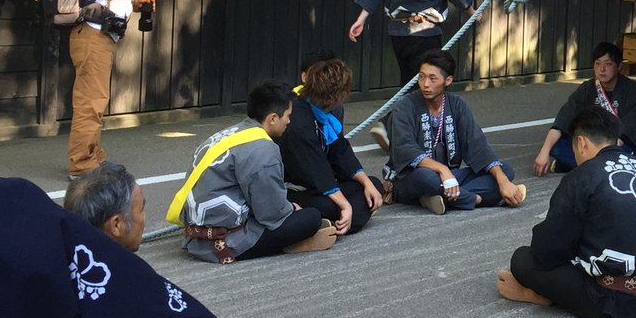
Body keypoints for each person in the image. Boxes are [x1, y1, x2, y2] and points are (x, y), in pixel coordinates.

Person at [46, 167, 313, 318]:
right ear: (116, 224)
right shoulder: (133, 287)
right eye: (141, 209)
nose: (143, 219)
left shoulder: (53, 264)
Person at [497, 107, 636, 318]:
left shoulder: (583, 175)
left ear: (581, 143)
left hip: (613, 304)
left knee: (522, 259)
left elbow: (545, 251)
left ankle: (541, 296)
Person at [347, 0, 479, 152]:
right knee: (425, 84)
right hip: (424, 31)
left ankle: (407, 132)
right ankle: (389, 126)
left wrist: (361, 19)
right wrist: (473, 13)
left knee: (411, 81)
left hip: (397, 32)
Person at [169, 82, 337, 263]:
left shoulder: (229, 134)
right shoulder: (263, 149)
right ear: (273, 118)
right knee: (312, 217)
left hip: (195, 237)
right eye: (288, 116)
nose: (289, 121)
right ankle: (292, 243)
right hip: (226, 242)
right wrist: (292, 208)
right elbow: (272, 215)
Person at [67, 0, 163, 179]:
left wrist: (134, 0)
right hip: (94, 35)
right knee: (91, 101)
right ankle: (81, 166)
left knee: (94, 99)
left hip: (95, 34)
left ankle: (94, 158)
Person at [385, 48, 525, 214]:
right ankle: (478, 199)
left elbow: (477, 145)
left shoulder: (457, 104)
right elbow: (405, 148)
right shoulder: (405, 106)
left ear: (448, 80)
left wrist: (503, 181)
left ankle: (437, 198)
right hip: (413, 177)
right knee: (427, 179)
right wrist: (442, 170)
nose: (425, 84)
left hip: (450, 177)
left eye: (432, 78)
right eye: (421, 76)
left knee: (505, 170)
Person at [279, 58, 384, 234]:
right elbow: (317, 170)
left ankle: (330, 225)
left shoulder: (325, 113)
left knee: (373, 186)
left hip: (320, 184)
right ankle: (336, 222)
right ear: (337, 96)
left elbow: (341, 153)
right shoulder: (300, 121)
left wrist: (366, 183)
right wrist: (345, 205)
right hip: (294, 189)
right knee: (331, 205)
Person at [532, 41, 636, 175]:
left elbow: (631, 127)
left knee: (625, 152)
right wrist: (544, 152)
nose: (602, 69)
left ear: (619, 66)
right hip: (591, 142)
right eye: (598, 63)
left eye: (608, 64)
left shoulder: (631, 89)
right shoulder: (587, 88)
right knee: (556, 147)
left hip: (617, 144)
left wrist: (605, 149)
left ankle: (577, 166)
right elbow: (561, 122)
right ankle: (603, 167)